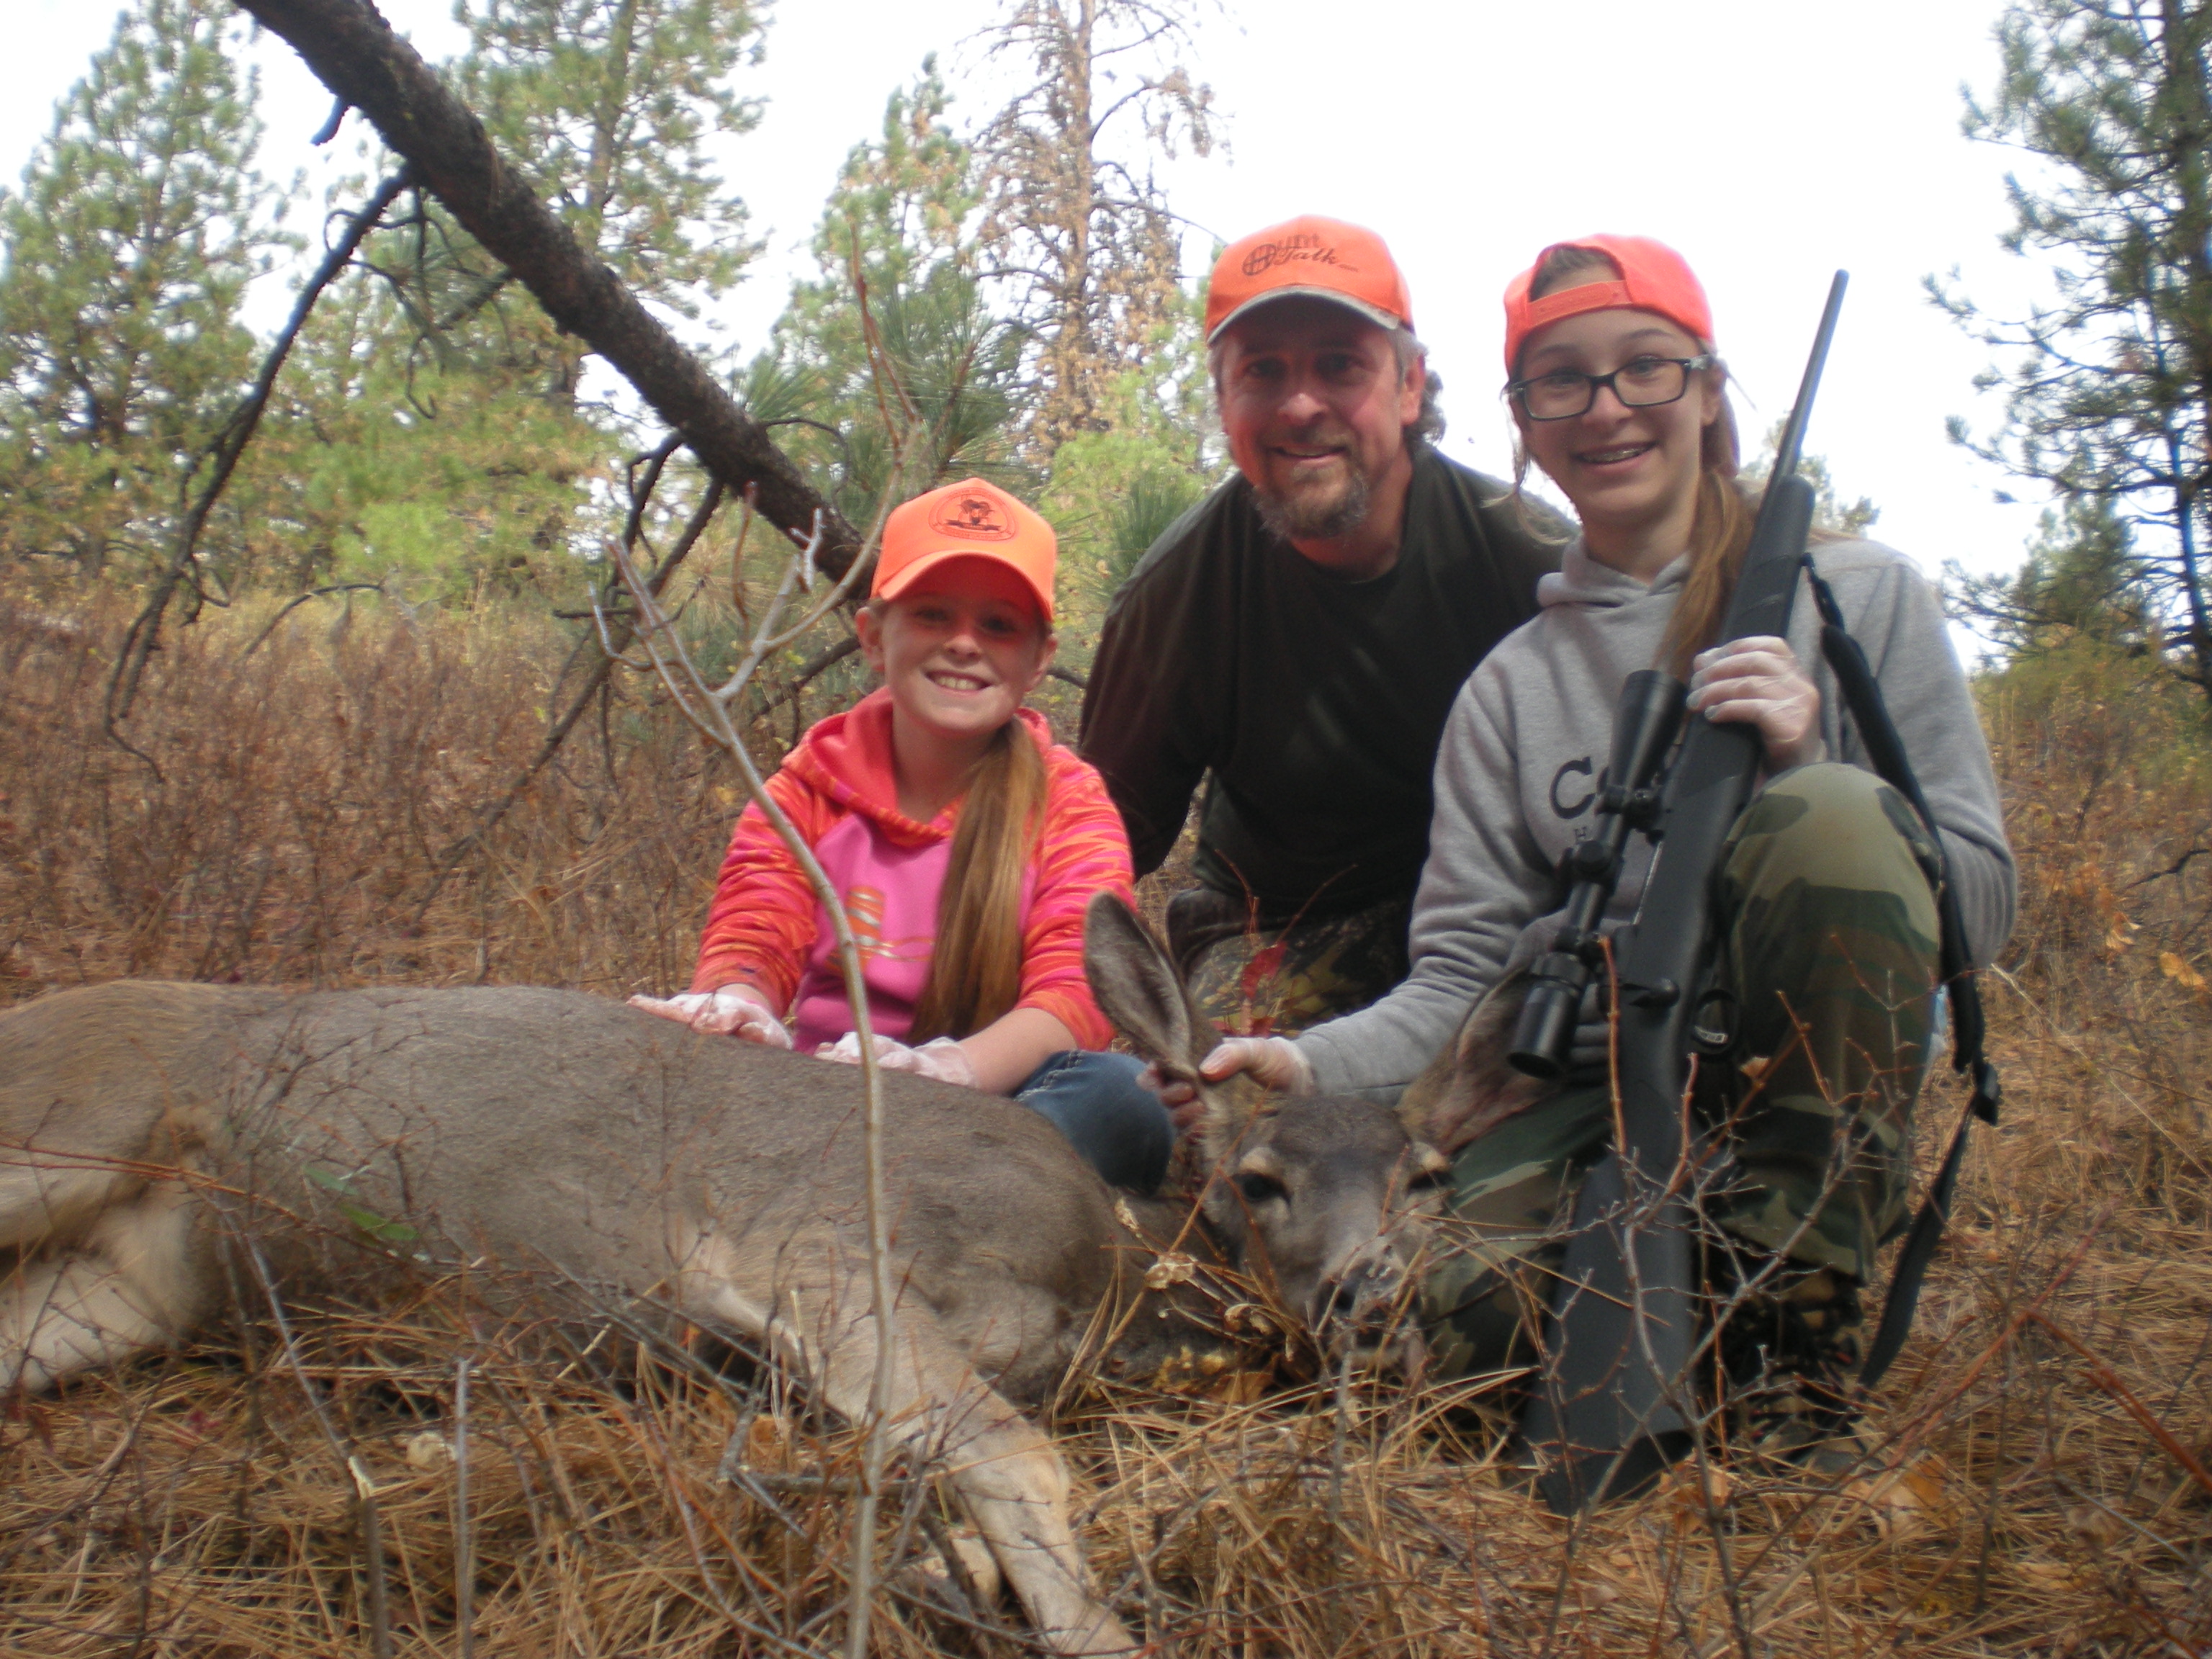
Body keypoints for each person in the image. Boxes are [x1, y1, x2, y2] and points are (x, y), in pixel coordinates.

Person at [1190, 234, 2017, 1459]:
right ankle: (1679, 1296)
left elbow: (1979, 907)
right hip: (1586, 1091)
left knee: (1831, 816)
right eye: (1561, 380)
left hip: (1796, 1081)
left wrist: (1806, 759)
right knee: (1441, 1340)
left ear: (1705, 388)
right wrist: (1300, 1060)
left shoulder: (1859, 597)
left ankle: (1794, 1333)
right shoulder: (1507, 689)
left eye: (1643, 367)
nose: (1606, 406)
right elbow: (1462, 975)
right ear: (1522, 422)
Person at [1079, 215, 1559, 1039]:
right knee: (1238, 1106)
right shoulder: (1179, 594)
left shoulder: (1530, 560)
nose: (1301, 405)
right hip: (1279, 928)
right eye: (1263, 371)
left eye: (1340, 365)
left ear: (1410, 387)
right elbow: (1095, 850)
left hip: (1502, 913)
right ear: (1225, 402)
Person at [632, 477, 1174, 1194]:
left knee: (1122, 1099)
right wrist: (739, 1006)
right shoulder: (804, 790)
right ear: (873, 637)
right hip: (828, 1097)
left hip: (998, 1108)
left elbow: (1074, 999)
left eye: (999, 626)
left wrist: (951, 1071)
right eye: (931, 614)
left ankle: (928, 1203)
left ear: (1040, 658)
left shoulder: (1070, 803)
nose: (962, 645)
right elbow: (752, 939)